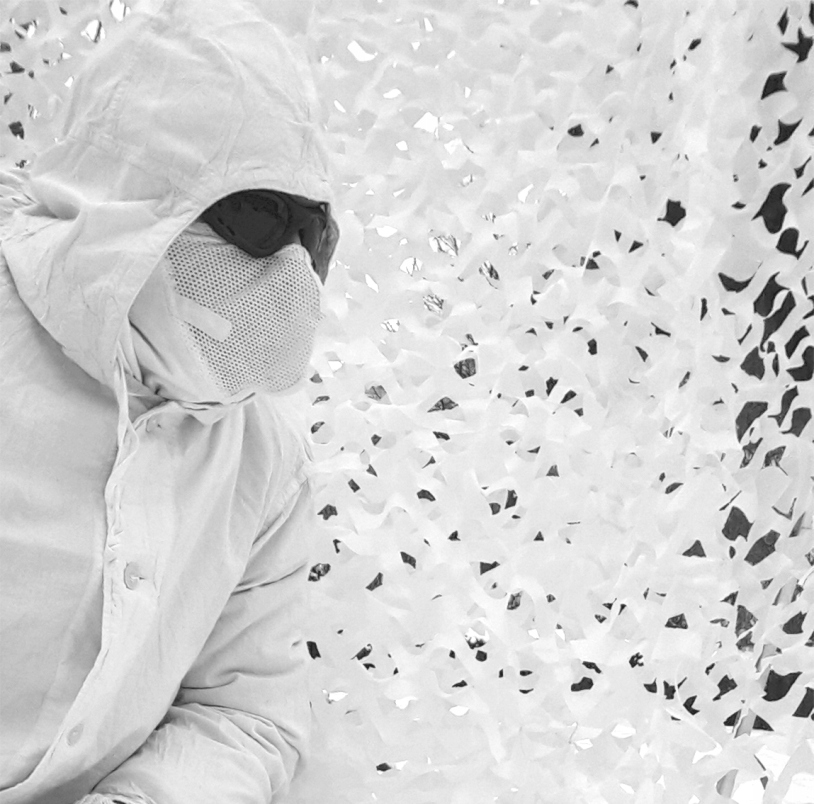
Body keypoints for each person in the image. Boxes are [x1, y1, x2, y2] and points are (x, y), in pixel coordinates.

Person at [0, 0, 339, 802]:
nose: (291, 269)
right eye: (259, 215)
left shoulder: (265, 460)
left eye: (314, 232)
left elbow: (245, 713)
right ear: (138, 192)